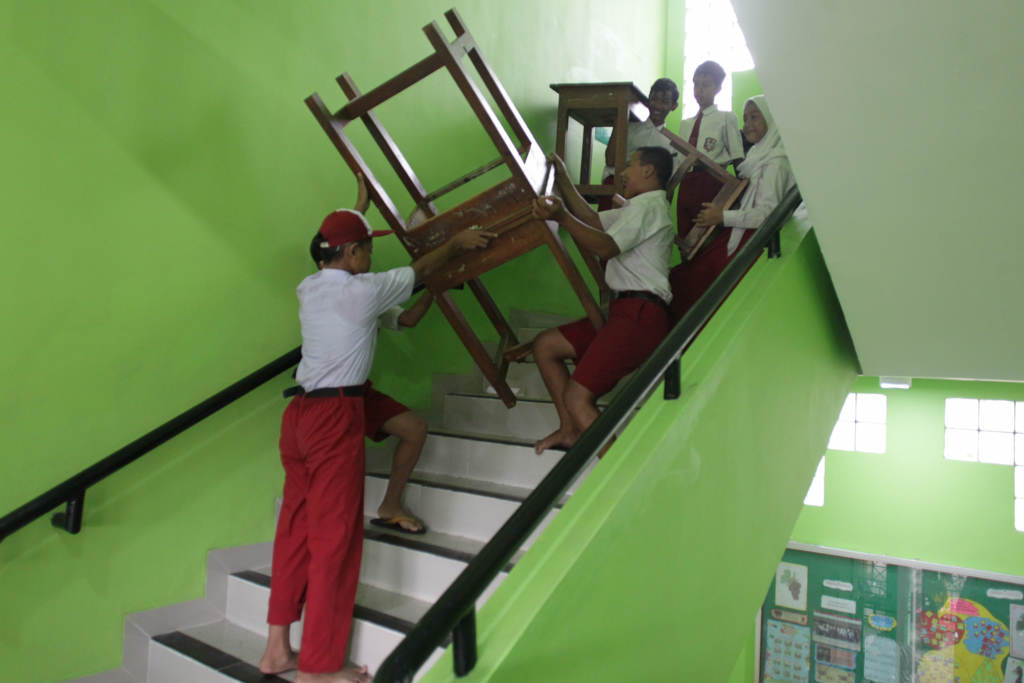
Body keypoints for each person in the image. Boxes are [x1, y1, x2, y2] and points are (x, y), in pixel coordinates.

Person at [258, 199, 494, 682]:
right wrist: (454, 245)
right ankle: (318, 668)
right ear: (350, 254)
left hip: (300, 415)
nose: (372, 257)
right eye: (366, 249)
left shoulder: (312, 287)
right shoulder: (361, 291)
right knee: (334, 540)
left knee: (296, 532)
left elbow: (402, 315)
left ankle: (277, 650)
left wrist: (358, 209)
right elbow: (417, 269)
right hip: (333, 416)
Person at [532, 147, 675, 454]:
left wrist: (561, 217)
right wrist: (564, 178)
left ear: (648, 171)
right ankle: (569, 431)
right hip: (625, 311)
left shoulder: (649, 206)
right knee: (546, 345)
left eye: (630, 165)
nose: (622, 173)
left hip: (640, 314)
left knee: (577, 397)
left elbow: (606, 247)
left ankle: (618, 474)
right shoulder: (637, 207)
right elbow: (592, 220)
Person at [668, 94, 795, 320]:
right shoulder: (757, 156)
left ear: (771, 119)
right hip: (741, 232)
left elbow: (768, 215)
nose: (748, 125)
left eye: (755, 117)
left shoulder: (775, 163)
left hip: (753, 240)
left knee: (695, 283)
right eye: (745, 118)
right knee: (686, 278)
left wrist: (723, 217)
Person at [675, 60, 745, 239]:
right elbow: (678, 161)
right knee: (685, 233)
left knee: (708, 235)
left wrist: (742, 194)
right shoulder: (685, 124)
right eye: (696, 84)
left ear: (718, 88)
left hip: (712, 182)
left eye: (705, 85)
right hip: (687, 182)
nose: (699, 90)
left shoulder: (726, 118)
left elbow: (738, 158)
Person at [599, 78, 680, 210]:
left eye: (664, 102)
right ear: (648, 100)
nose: (658, 106)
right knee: (604, 223)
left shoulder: (672, 144)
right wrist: (618, 122)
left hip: (644, 199)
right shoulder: (629, 127)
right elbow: (610, 159)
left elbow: (666, 185)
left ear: (674, 106)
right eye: (654, 99)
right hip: (615, 186)